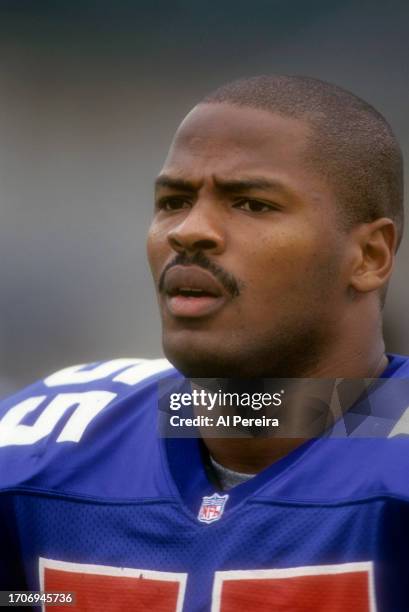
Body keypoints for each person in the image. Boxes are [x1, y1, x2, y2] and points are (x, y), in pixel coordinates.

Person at [0, 75, 407, 611]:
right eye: (174, 201)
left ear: (370, 257)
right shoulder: (39, 453)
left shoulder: (389, 467)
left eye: (252, 204)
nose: (188, 231)